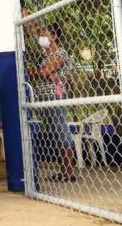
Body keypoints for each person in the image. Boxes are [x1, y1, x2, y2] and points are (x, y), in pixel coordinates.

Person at [32, 23, 76, 182]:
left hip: (55, 97)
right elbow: (42, 73)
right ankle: (63, 171)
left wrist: (38, 72)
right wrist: (41, 73)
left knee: (62, 132)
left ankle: (69, 172)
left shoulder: (61, 53)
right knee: (55, 135)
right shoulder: (44, 56)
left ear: (55, 37)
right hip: (44, 98)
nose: (42, 38)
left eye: (45, 35)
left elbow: (44, 72)